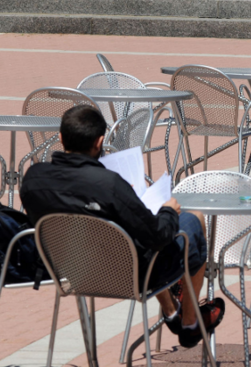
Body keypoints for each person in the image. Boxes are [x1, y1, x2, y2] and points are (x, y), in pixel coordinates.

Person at [20, 105, 224, 349]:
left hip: (69, 272)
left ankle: (172, 311)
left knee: (134, 232)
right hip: (128, 277)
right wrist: (169, 210)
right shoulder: (109, 184)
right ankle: (190, 323)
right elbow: (158, 236)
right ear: (100, 142)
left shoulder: (33, 178)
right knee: (193, 220)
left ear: (61, 138)